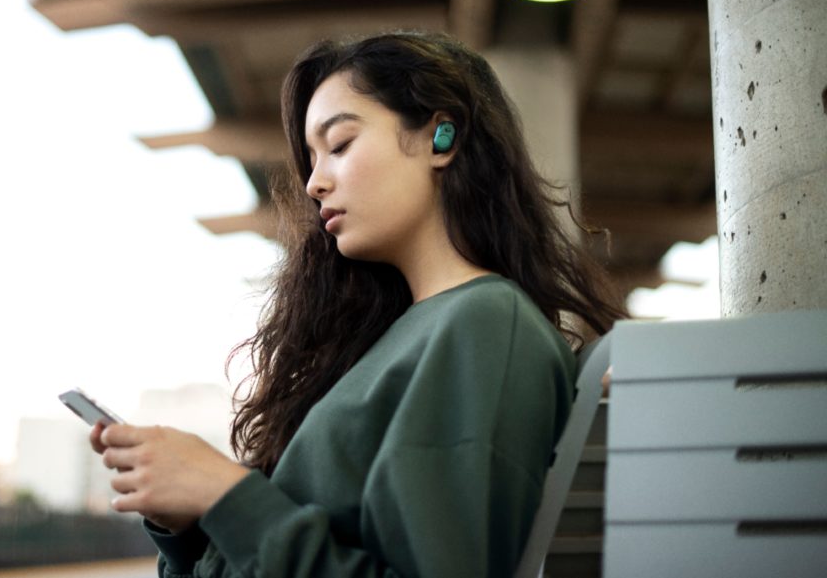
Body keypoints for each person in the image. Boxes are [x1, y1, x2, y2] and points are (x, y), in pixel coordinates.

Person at [90, 31, 625, 577]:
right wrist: (191, 524)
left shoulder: (484, 324)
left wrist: (227, 494)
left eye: (340, 145)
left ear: (443, 138)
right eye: (312, 160)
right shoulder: (389, 340)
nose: (316, 183)